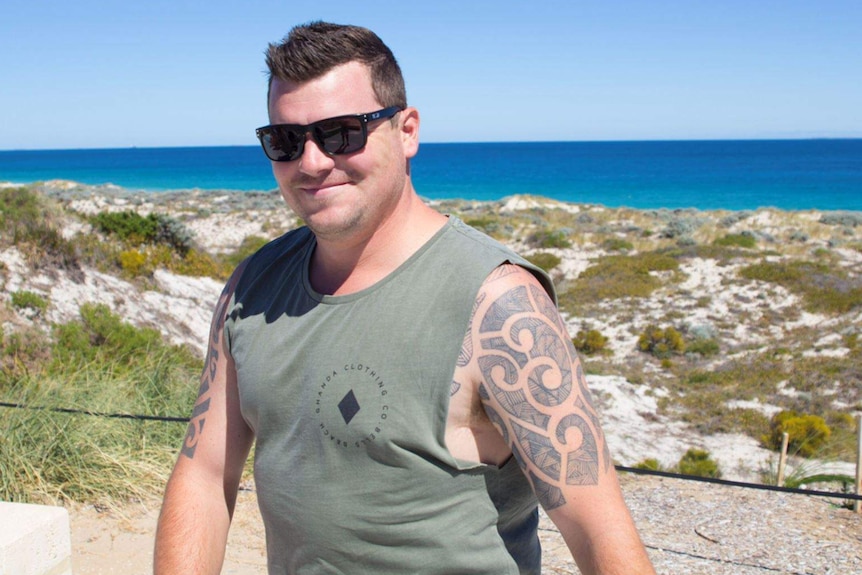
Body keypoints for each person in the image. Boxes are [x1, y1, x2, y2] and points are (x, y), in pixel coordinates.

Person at [154, 21, 656, 575]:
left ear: (407, 129)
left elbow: (600, 532)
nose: (313, 162)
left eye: (342, 132)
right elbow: (205, 475)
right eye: (286, 141)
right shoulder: (252, 288)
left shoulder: (498, 303)